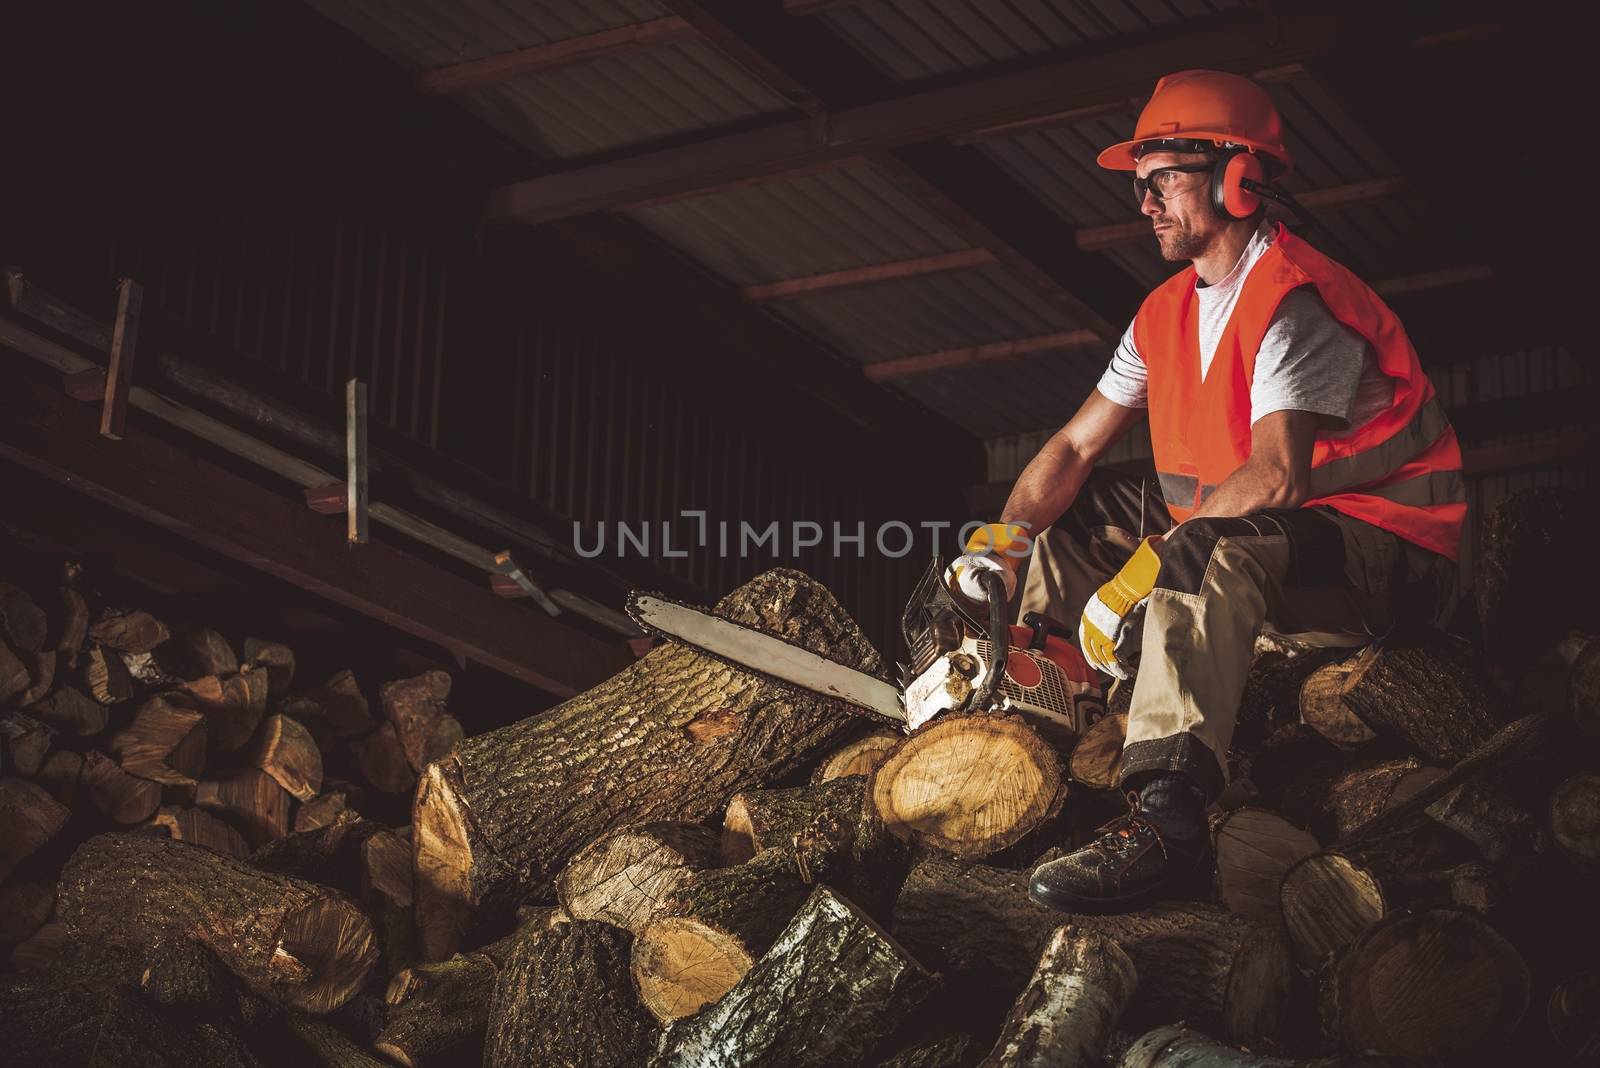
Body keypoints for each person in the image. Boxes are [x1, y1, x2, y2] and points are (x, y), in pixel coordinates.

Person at [946, 70, 1465, 914]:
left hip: (1387, 561)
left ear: (1239, 179)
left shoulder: (1294, 300)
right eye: (1139, 184)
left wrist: (1145, 573)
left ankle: (1167, 820)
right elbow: (1076, 445)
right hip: (1261, 553)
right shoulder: (1161, 315)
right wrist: (1000, 547)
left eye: (1163, 180)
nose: (1144, 203)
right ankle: (1022, 724)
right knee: (1054, 551)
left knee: (1194, 553)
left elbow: (1279, 476)